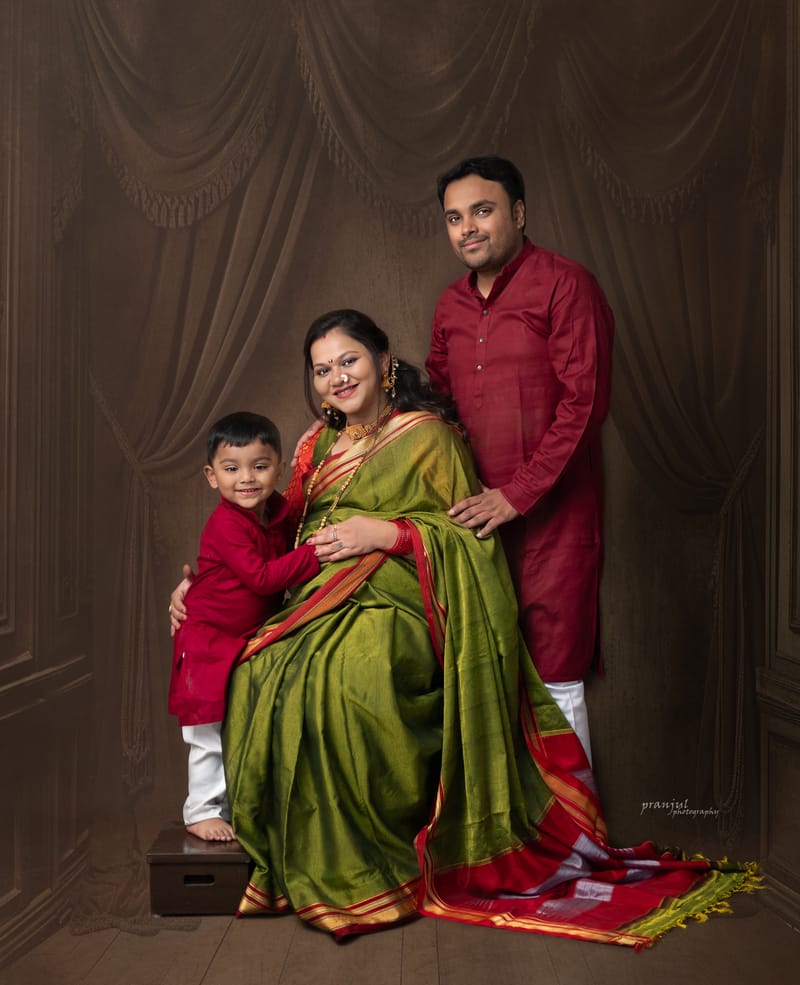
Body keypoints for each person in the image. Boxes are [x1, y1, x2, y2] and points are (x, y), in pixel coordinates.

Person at [171, 309, 756, 944]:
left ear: (382, 361)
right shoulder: (317, 446)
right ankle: (300, 847)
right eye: (321, 370)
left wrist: (386, 534)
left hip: (405, 600)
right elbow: (268, 530)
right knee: (264, 668)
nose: (336, 378)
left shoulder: (429, 437)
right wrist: (196, 587)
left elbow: (469, 541)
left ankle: (371, 861)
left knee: (349, 677)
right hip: (316, 595)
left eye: (348, 361)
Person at [426, 155, 614, 765]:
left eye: (482, 211)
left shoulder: (566, 285)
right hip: (471, 521)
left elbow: (584, 404)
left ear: (520, 212)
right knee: (483, 678)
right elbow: (434, 407)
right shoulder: (449, 306)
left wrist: (516, 494)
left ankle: (575, 825)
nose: (467, 228)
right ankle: (506, 823)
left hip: (554, 521)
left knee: (556, 678)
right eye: (454, 217)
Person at [168, 411, 319, 841]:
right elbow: (263, 578)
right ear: (211, 476)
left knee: (235, 721)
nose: (247, 479)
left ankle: (233, 805)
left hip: (239, 637)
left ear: (279, 467)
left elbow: (296, 520)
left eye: (260, 466)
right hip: (206, 636)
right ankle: (199, 810)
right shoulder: (226, 523)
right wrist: (316, 553)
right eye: (232, 469)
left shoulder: (276, 512)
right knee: (205, 729)